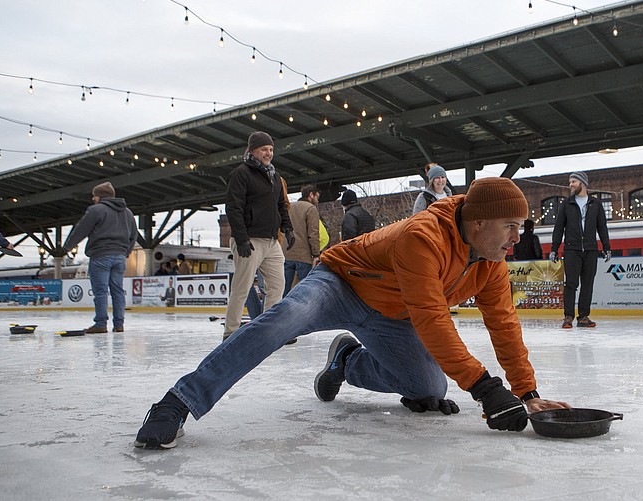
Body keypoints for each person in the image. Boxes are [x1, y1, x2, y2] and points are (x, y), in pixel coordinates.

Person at [134, 177, 570, 450]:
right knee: (284, 318)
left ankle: (347, 360)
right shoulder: (424, 236)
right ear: (479, 223)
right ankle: (180, 401)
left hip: (391, 313)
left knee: (428, 387)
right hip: (341, 283)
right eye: (512, 225)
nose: (518, 237)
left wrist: (527, 393)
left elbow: (504, 326)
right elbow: (432, 318)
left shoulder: (490, 264)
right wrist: (485, 388)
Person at [223, 131, 295, 341]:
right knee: (242, 287)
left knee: (277, 284)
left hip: (271, 240)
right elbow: (233, 208)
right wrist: (241, 238)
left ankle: (270, 329)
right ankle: (230, 332)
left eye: (271, 149)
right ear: (252, 150)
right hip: (250, 240)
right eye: (264, 149)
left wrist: (288, 228)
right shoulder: (241, 174)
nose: (269, 153)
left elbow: (281, 205)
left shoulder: (275, 176)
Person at [62, 182, 138, 333]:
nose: (93, 199)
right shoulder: (127, 212)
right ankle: (119, 324)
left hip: (101, 255)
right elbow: (134, 235)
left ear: (100, 196)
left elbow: (81, 230)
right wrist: (126, 252)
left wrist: (67, 247)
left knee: (101, 291)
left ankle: (101, 324)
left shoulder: (96, 210)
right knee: (117, 290)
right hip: (119, 257)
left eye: (94, 196)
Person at [549, 171, 611, 329]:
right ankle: (568, 316)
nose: (570, 185)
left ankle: (583, 317)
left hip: (590, 249)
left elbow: (602, 227)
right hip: (572, 249)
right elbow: (558, 228)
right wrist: (554, 249)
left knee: (587, 284)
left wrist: (606, 247)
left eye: (573, 182)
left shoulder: (595, 204)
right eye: (570, 182)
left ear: (582, 183)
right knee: (570, 283)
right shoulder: (566, 204)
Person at [283, 184, 321, 296]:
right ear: (311, 195)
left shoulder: (289, 207)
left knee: (284, 289)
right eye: (317, 197)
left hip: (286, 253)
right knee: (305, 290)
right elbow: (313, 233)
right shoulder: (311, 209)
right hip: (303, 256)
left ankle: (283, 312)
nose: (317, 200)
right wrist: (316, 253)